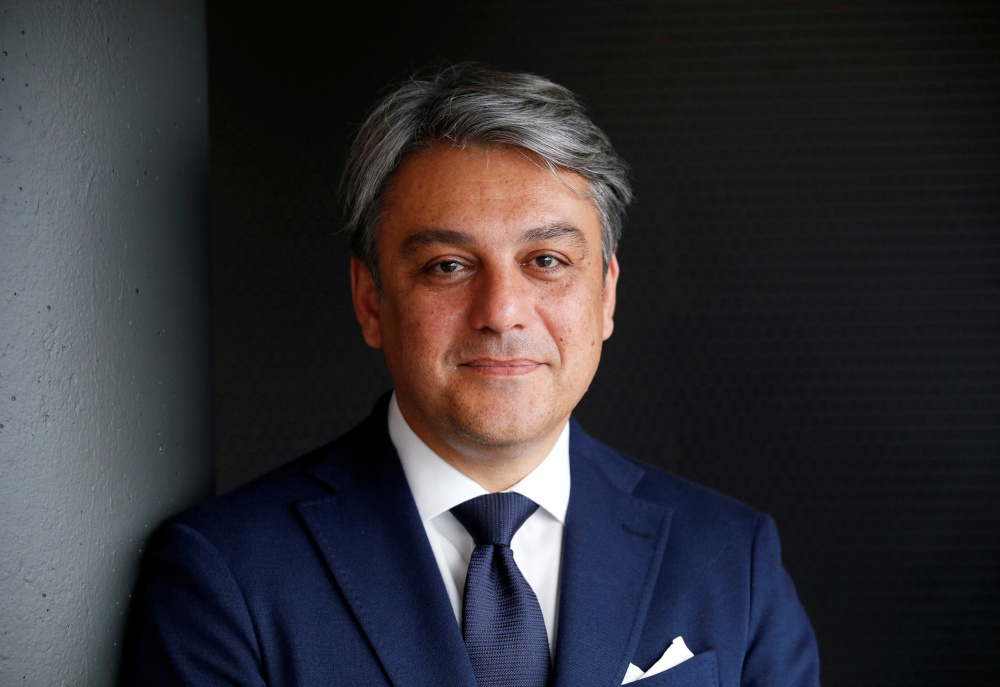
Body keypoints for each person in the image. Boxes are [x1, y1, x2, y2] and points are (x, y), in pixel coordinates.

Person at [122, 64, 820, 686]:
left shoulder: (733, 558)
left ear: (605, 295)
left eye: (546, 260)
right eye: (448, 266)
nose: (502, 312)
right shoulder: (225, 575)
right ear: (372, 300)